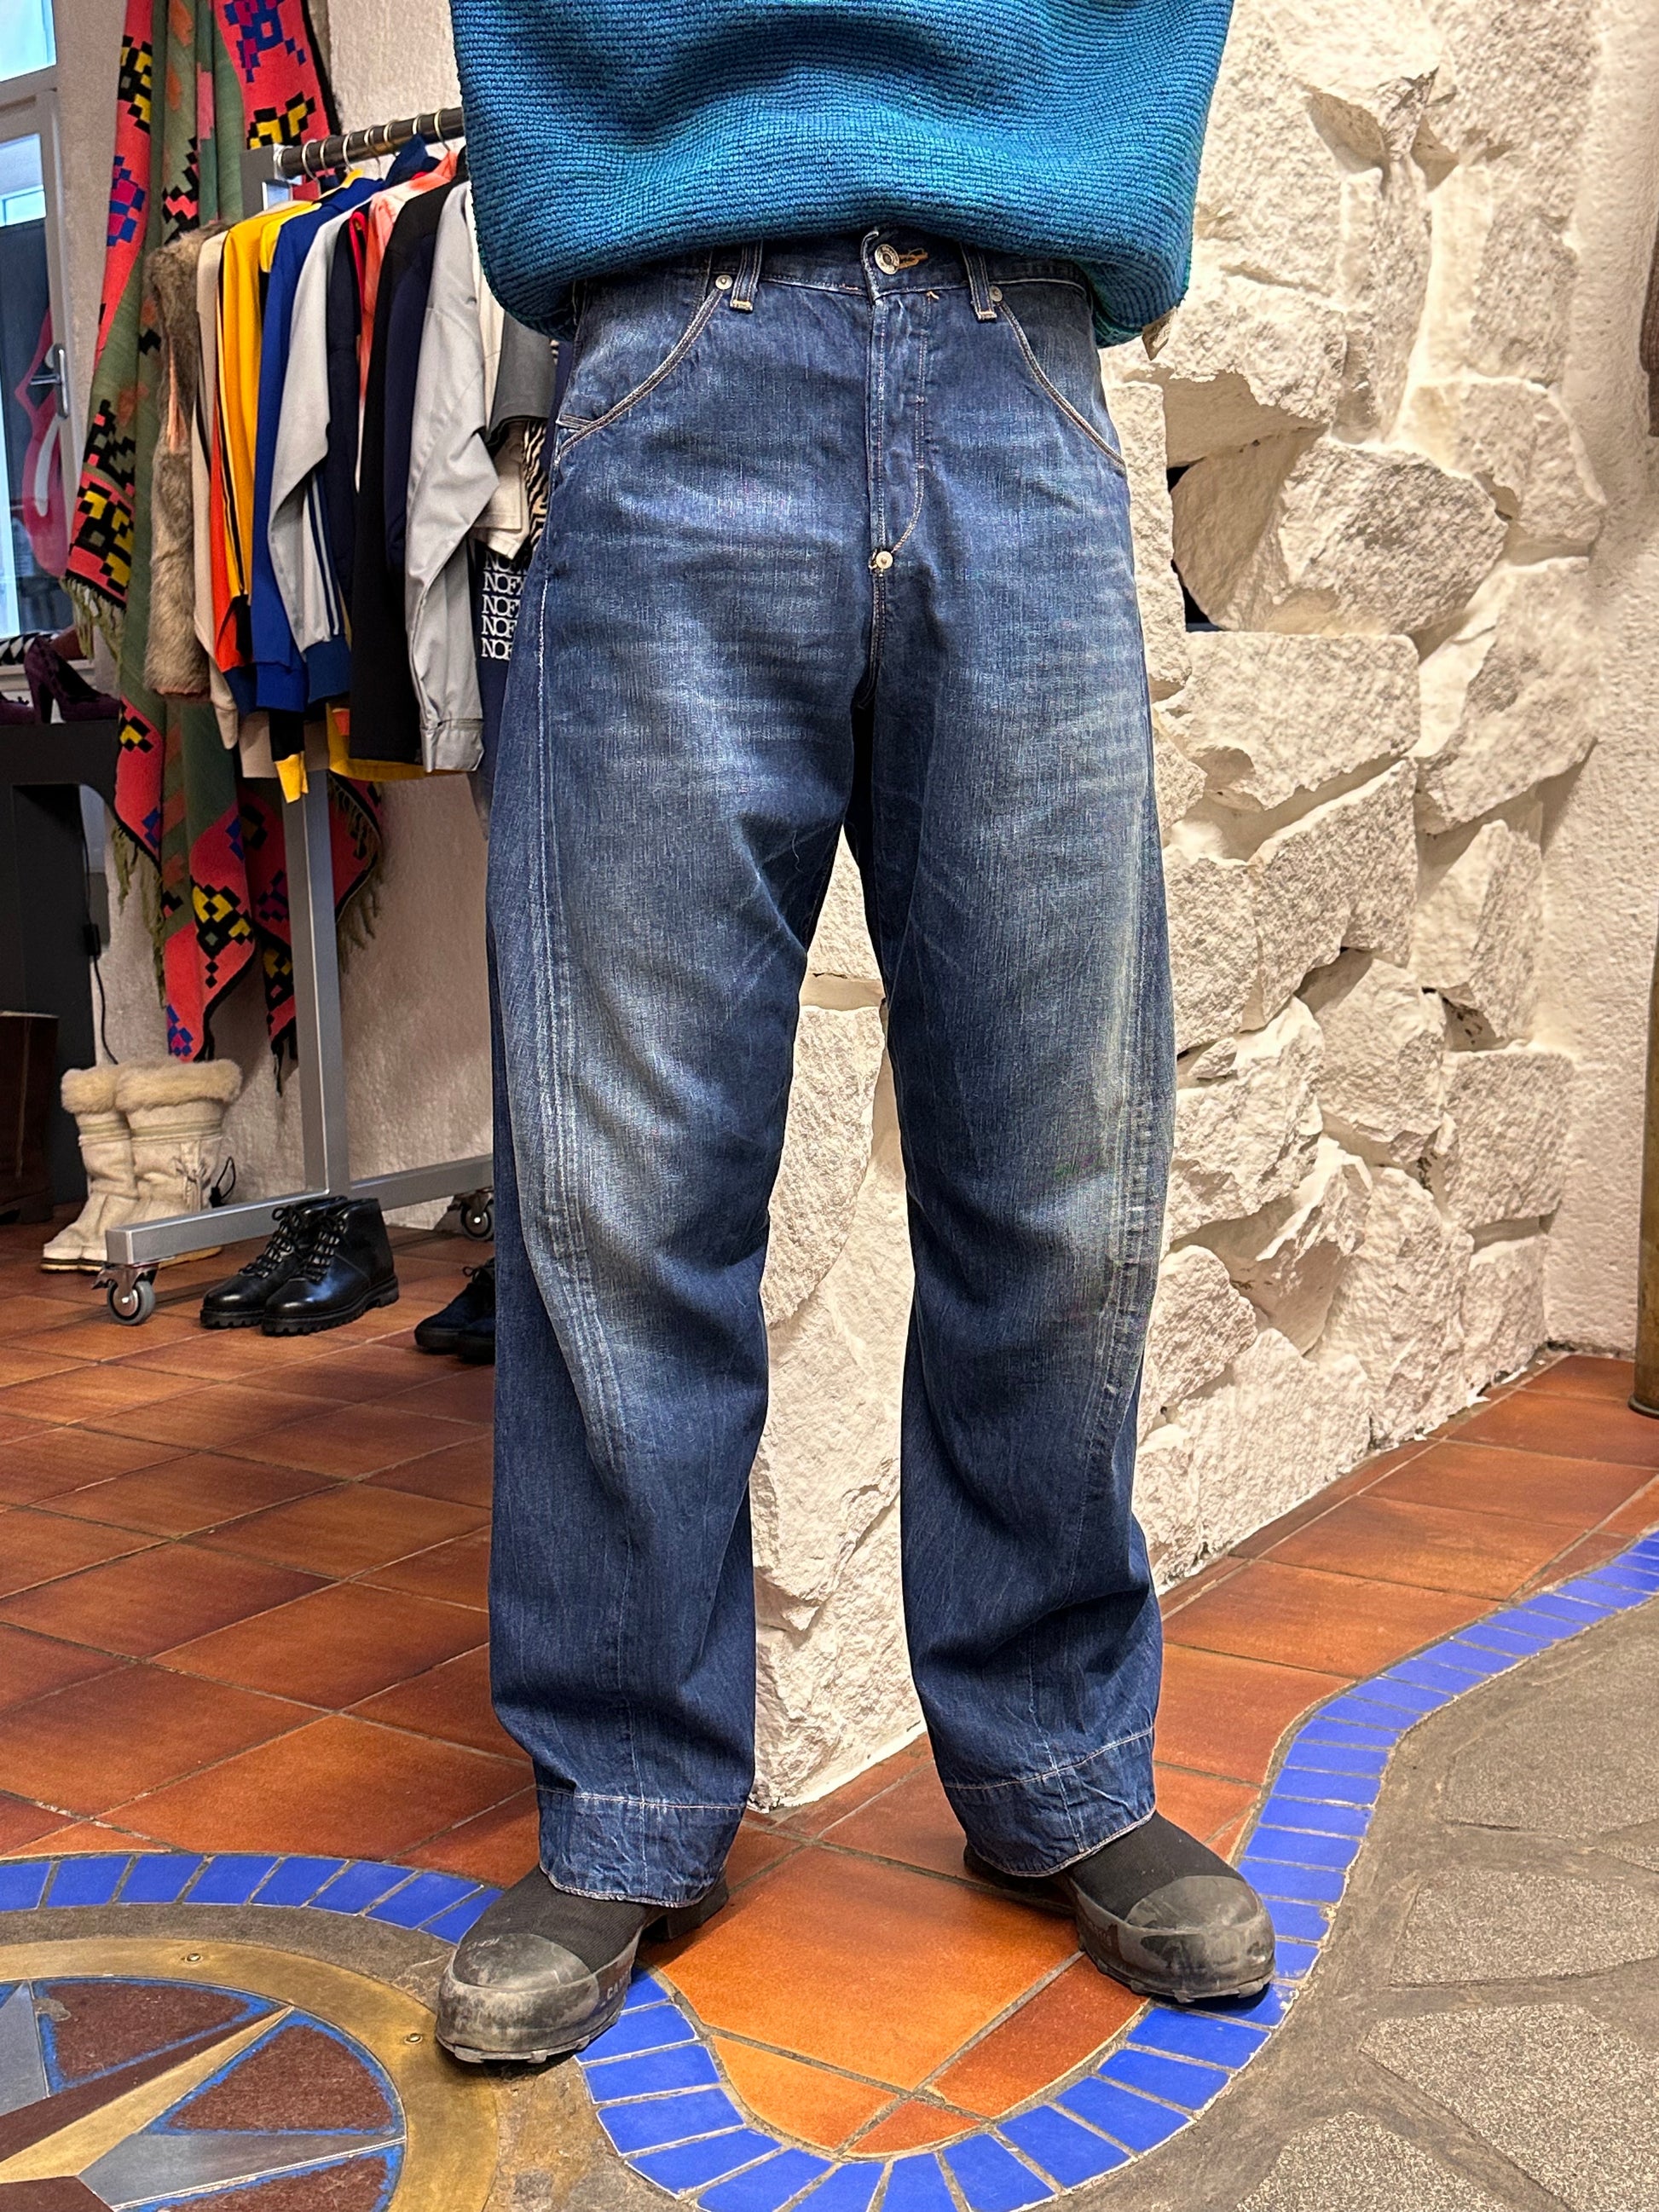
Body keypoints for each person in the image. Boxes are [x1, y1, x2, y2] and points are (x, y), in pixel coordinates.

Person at [435, 0, 1272, 2066]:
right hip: (667, 334)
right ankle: (626, 1789)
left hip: (1020, 350)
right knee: (620, 1180)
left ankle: (1058, 1756)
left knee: (1059, 1158)